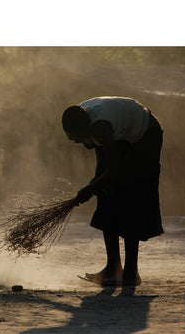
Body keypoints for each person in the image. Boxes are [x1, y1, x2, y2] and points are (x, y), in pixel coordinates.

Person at [62, 96, 163, 286]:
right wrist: (96, 186)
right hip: (120, 134)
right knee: (106, 195)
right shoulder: (85, 119)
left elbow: (116, 170)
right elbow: (106, 169)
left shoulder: (101, 128)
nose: (80, 144)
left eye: (79, 139)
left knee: (130, 196)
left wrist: (90, 188)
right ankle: (112, 268)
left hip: (145, 136)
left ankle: (131, 273)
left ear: (86, 129)